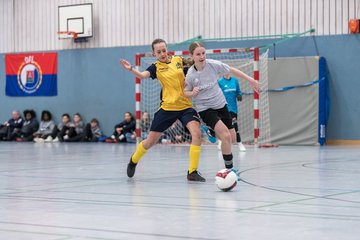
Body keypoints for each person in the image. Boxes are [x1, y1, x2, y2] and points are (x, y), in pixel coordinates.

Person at [120, 38, 204, 182]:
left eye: (164, 50)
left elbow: (194, 64)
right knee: (150, 141)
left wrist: (199, 56)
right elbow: (142, 76)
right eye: (159, 52)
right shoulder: (155, 67)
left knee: (196, 134)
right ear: (154, 53)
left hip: (185, 106)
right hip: (167, 108)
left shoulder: (178, 60)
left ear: (167, 49)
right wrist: (132, 69)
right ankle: (133, 160)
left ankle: (192, 171)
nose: (162, 53)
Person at [184, 42, 259, 172]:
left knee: (232, 138)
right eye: (198, 54)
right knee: (225, 136)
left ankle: (211, 129)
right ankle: (230, 169)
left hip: (220, 103)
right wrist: (192, 93)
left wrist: (251, 80)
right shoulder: (190, 75)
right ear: (191, 56)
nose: (202, 56)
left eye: (203, 53)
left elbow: (231, 70)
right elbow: (185, 92)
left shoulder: (213, 64)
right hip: (205, 108)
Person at [218, 74, 246, 151]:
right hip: (223, 107)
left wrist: (239, 95)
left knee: (234, 126)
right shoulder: (220, 82)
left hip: (233, 108)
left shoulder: (235, 81)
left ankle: (239, 143)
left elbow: (238, 91)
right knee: (223, 126)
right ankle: (221, 141)